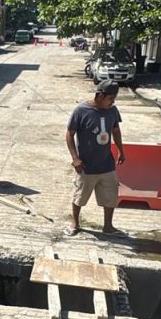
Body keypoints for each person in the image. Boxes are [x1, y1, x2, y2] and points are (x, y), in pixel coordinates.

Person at [65, 79, 126, 236]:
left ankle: (108, 226)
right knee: (79, 196)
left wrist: (121, 150)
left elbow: (116, 130)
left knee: (111, 195)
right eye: (110, 98)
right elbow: (70, 134)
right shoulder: (81, 111)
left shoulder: (113, 110)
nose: (113, 102)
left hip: (107, 164)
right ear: (100, 95)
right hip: (86, 166)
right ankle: (75, 223)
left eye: (114, 98)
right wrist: (75, 158)